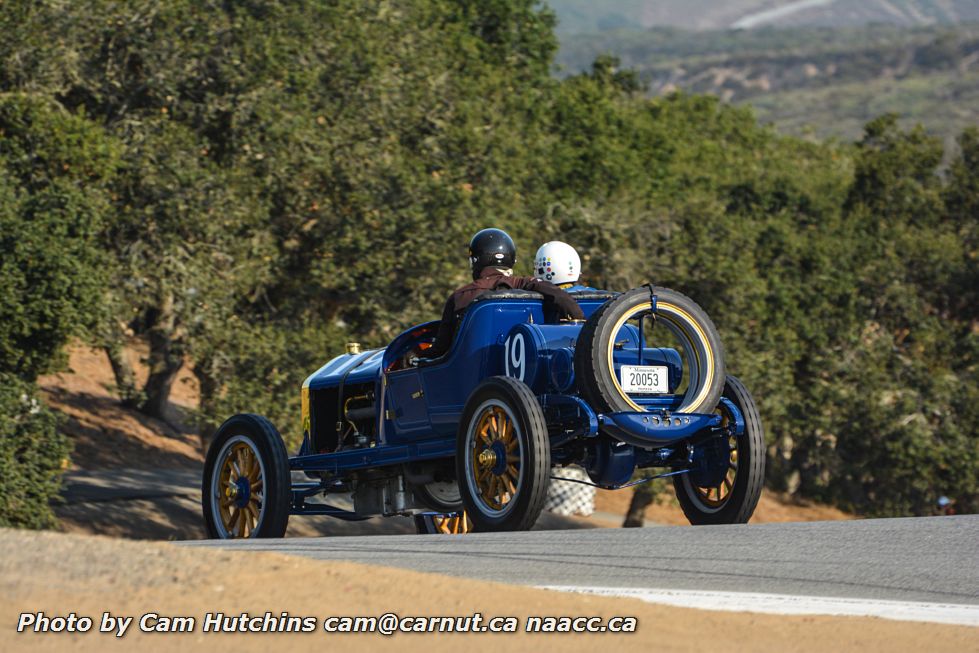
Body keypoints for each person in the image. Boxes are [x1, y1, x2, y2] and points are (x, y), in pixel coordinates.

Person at [426, 229, 584, 359]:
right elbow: (559, 296)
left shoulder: (460, 297)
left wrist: (419, 357)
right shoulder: (528, 286)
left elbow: (441, 350)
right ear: (511, 260)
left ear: (474, 261)